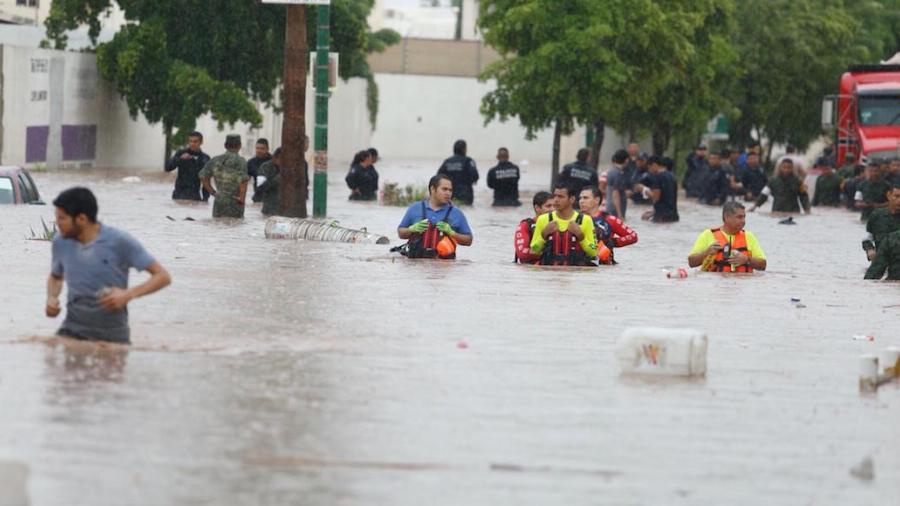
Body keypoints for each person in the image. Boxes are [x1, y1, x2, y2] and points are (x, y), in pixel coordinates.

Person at [45, 187, 171, 344]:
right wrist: (51, 298)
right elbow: (56, 277)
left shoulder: (119, 241)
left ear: (81, 219)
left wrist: (128, 294)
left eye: (62, 218)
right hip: (72, 329)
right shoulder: (60, 242)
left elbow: (163, 276)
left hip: (113, 335)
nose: (57, 223)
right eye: (56, 217)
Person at [396, 174, 473, 259]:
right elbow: (401, 233)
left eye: (450, 190)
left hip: (444, 268)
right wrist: (412, 229)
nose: (448, 193)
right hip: (417, 267)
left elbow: (468, 240)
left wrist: (452, 233)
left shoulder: (457, 213)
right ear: (433, 189)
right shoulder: (415, 208)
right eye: (444, 189)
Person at [530, 182, 597, 266]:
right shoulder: (543, 219)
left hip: (575, 274)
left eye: (561, 197)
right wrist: (543, 235)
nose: (556, 200)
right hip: (549, 273)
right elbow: (533, 250)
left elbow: (594, 252)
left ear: (572, 199)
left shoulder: (585, 220)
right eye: (555, 196)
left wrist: (581, 236)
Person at [688, 201, 767, 273]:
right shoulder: (707, 235)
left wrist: (747, 260)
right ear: (726, 217)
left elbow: (763, 265)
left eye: (744, 217)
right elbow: (691, 263)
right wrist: (706, 253)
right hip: (715, 285)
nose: (743, 221)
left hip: (742, 286)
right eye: (739, 217)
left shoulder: (749, 237)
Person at [579, 186, 637, 264]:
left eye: (585, 198)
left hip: (604, 267)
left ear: (597, 200)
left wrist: (613, 242)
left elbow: (633, 236)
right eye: (580, 198)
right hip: (581, 264)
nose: (581, 201)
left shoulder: (610, 219)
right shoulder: (575, 219)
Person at [199, 134, 250, 218]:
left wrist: (213, 192)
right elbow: (243, 181)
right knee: (235, 227)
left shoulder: (215, 160)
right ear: (240, 146)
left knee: (218, 226)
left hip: (219, 201)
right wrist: (242, 199)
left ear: (225, 145)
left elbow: (202, 176)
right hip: (235, 202)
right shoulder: (241, 161)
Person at [164, 131, 211, 201]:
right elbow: (168, 168)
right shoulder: (181, 153)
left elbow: (206, 181)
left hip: (195, 196)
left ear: (201, 142)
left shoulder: (205, 158)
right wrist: (179, 159)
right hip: (178, 195)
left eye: (195, 142)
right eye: (190, 141)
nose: (192, 144)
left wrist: (205, 199)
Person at [636, 156, 679, 223]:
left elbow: (655, 197)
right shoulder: (672, 176)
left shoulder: (657, 177)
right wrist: (653, 213)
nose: (649, 171)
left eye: (649, 168)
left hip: (662, 217)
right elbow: (667, 199)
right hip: (674, 215)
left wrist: (644, 189)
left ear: (654, 165)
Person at [514, 191, 554, 264]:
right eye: (548, 206)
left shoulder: (562, 224)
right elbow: (522, 253)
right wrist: (545, 253)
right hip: (532, 269)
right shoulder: (525, 226)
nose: (552, 209)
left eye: (554, 206)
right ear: (537, 208)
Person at [863, 185, 900, 261]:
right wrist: (870, 250)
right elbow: (867, 238)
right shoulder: (876, 216)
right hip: (882, 263)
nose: (899, 200)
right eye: (897, 196)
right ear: (889, 196)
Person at [437, 140, 479, 205]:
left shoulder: (447, 161)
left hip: (449, 195)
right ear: (464, 149)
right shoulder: (468, 161)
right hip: (465, 195)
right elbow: (475, 176)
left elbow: (438, 178)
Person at [253, 147, 282, 216]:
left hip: (285, 211)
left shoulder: (290, 168)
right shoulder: (265, 167)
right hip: (269, 210)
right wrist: (277, 180)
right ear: (275, 158)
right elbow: (259, 188)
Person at [604, 149, 630, 219]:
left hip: (609, 207)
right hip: (615, 210)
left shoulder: (611, 172)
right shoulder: (619, 174)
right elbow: (615, 193)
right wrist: (619, 214)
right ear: (626, 160)